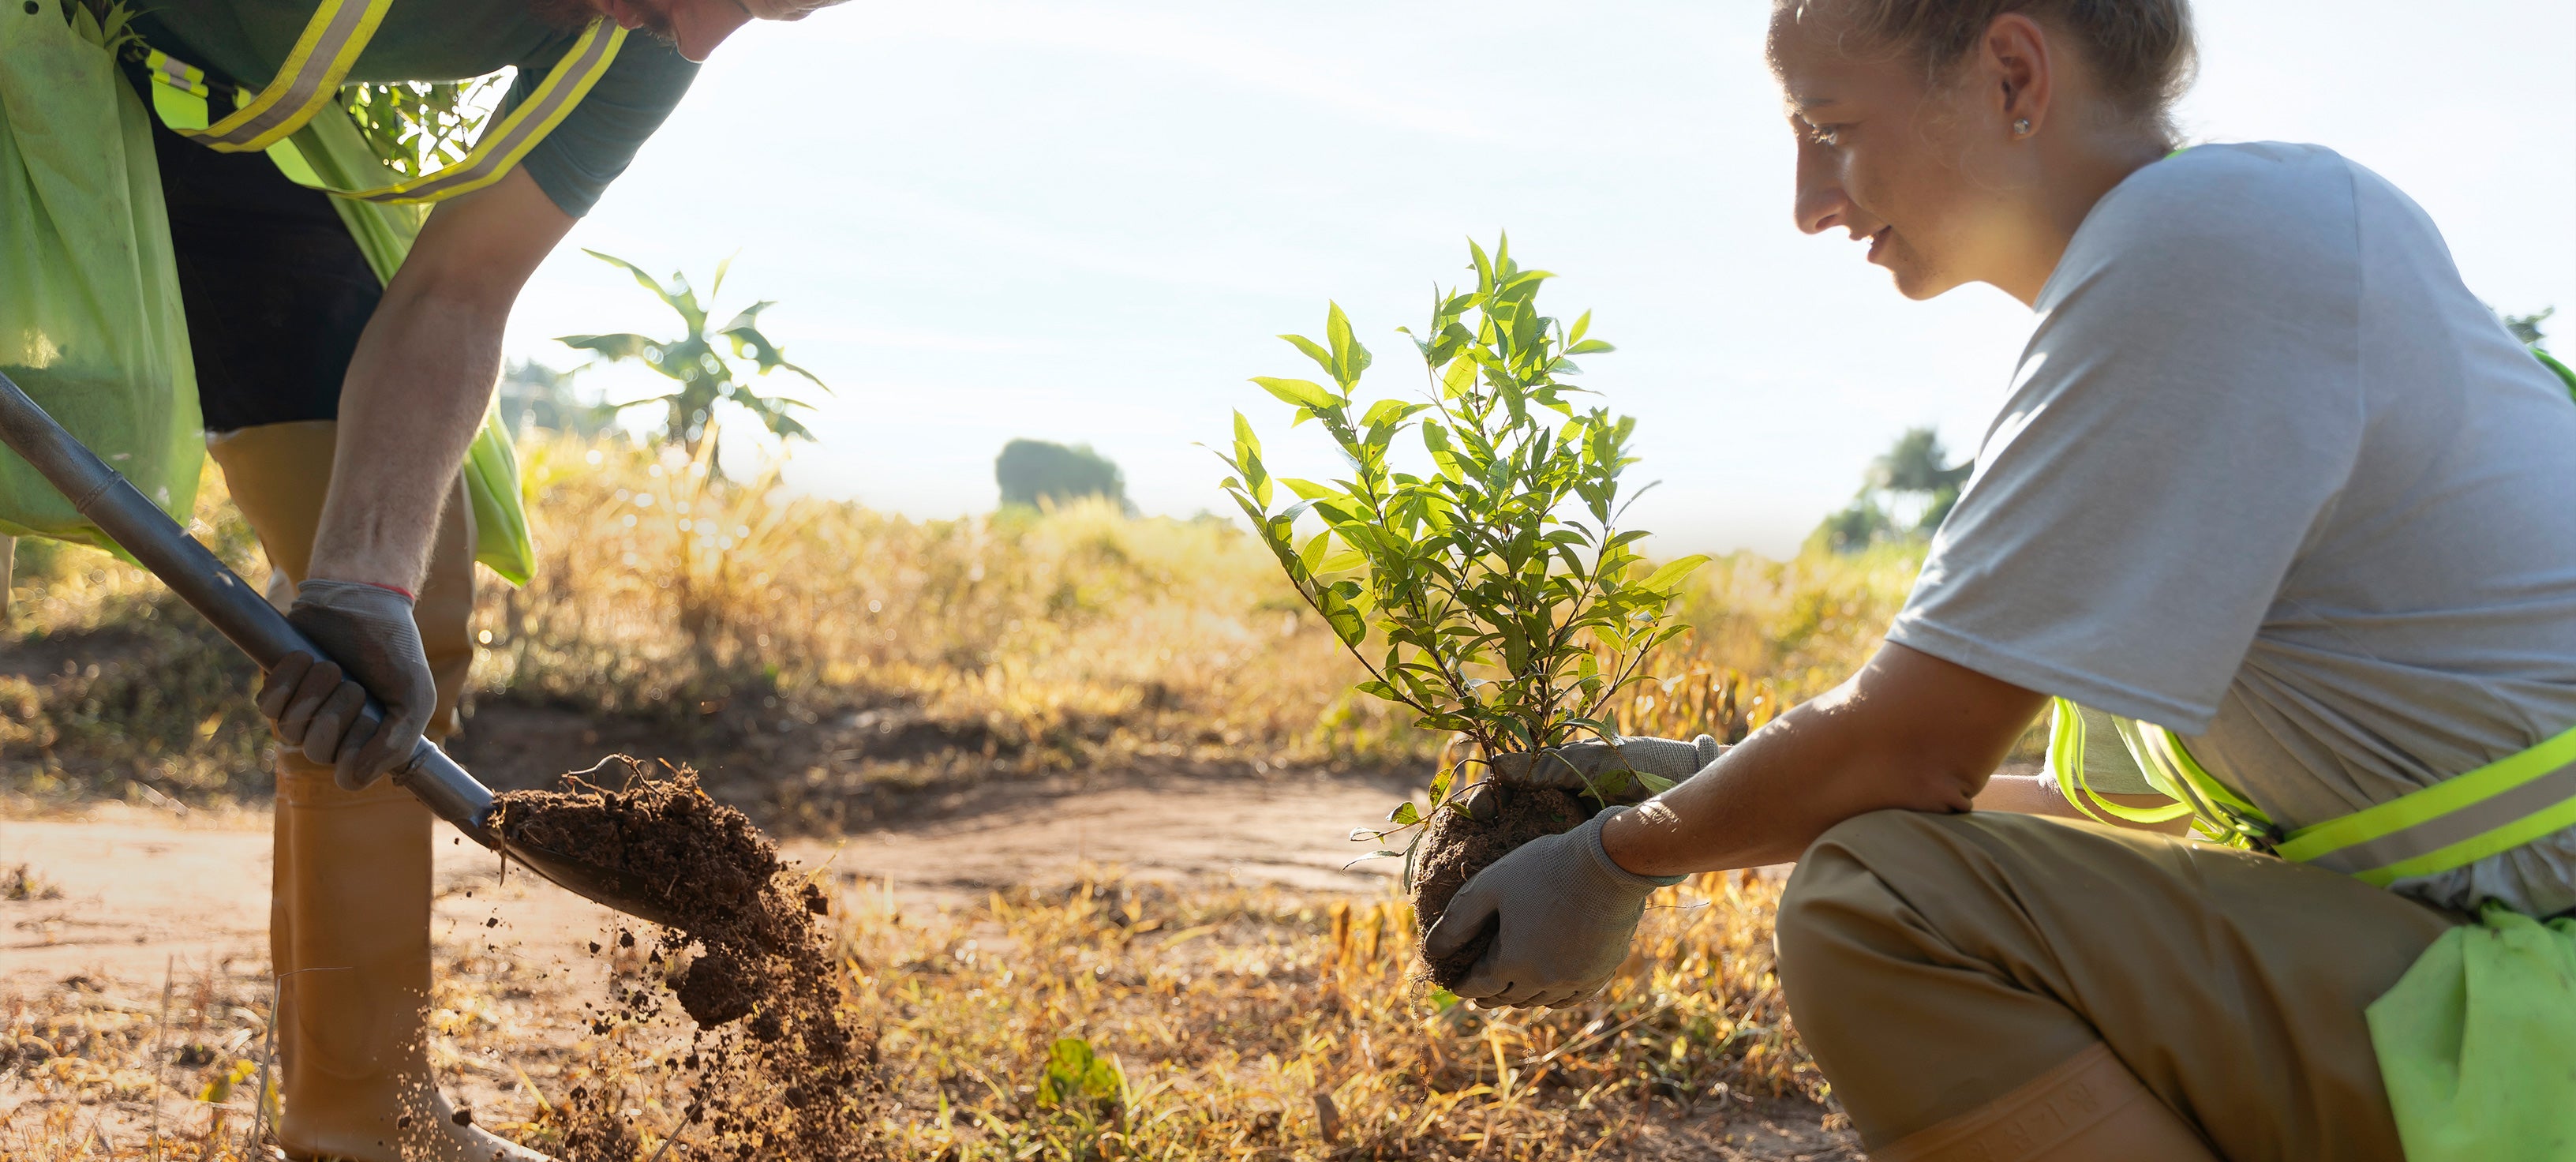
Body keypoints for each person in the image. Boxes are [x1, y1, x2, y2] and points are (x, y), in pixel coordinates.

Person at [1422, 2, 2576, 1160]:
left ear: (2014, 75)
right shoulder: (2242, 247)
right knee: (1885, 860)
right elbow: (2114, 824)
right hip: (2505, 967)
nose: (1809, 204)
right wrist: (1722, 784)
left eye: (1830, 127)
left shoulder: (2210, 241)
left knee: (1883, 904)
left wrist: (1613, 857)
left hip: (2544, 1011)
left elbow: (1914, 747)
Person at [88, 1, 836, 1158]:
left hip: (199, 114)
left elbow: (459, 288)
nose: (701, 41)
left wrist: (360, 586)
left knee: (411, 576)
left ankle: (359, 1117)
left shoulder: (640, 40)